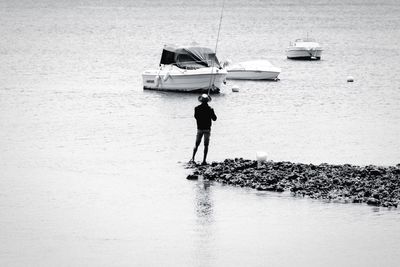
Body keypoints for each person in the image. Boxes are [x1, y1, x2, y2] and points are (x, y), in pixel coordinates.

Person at [191, 93, 217, 165]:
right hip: (207, 129)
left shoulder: (196, 108)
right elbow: (214, 119)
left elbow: (196, 117)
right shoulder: (210, 109)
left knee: (196, 144)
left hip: (199, 128)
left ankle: (193, 158)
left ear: (201, 101)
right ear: (207, 101)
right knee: (206, 145)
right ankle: (204, 161)